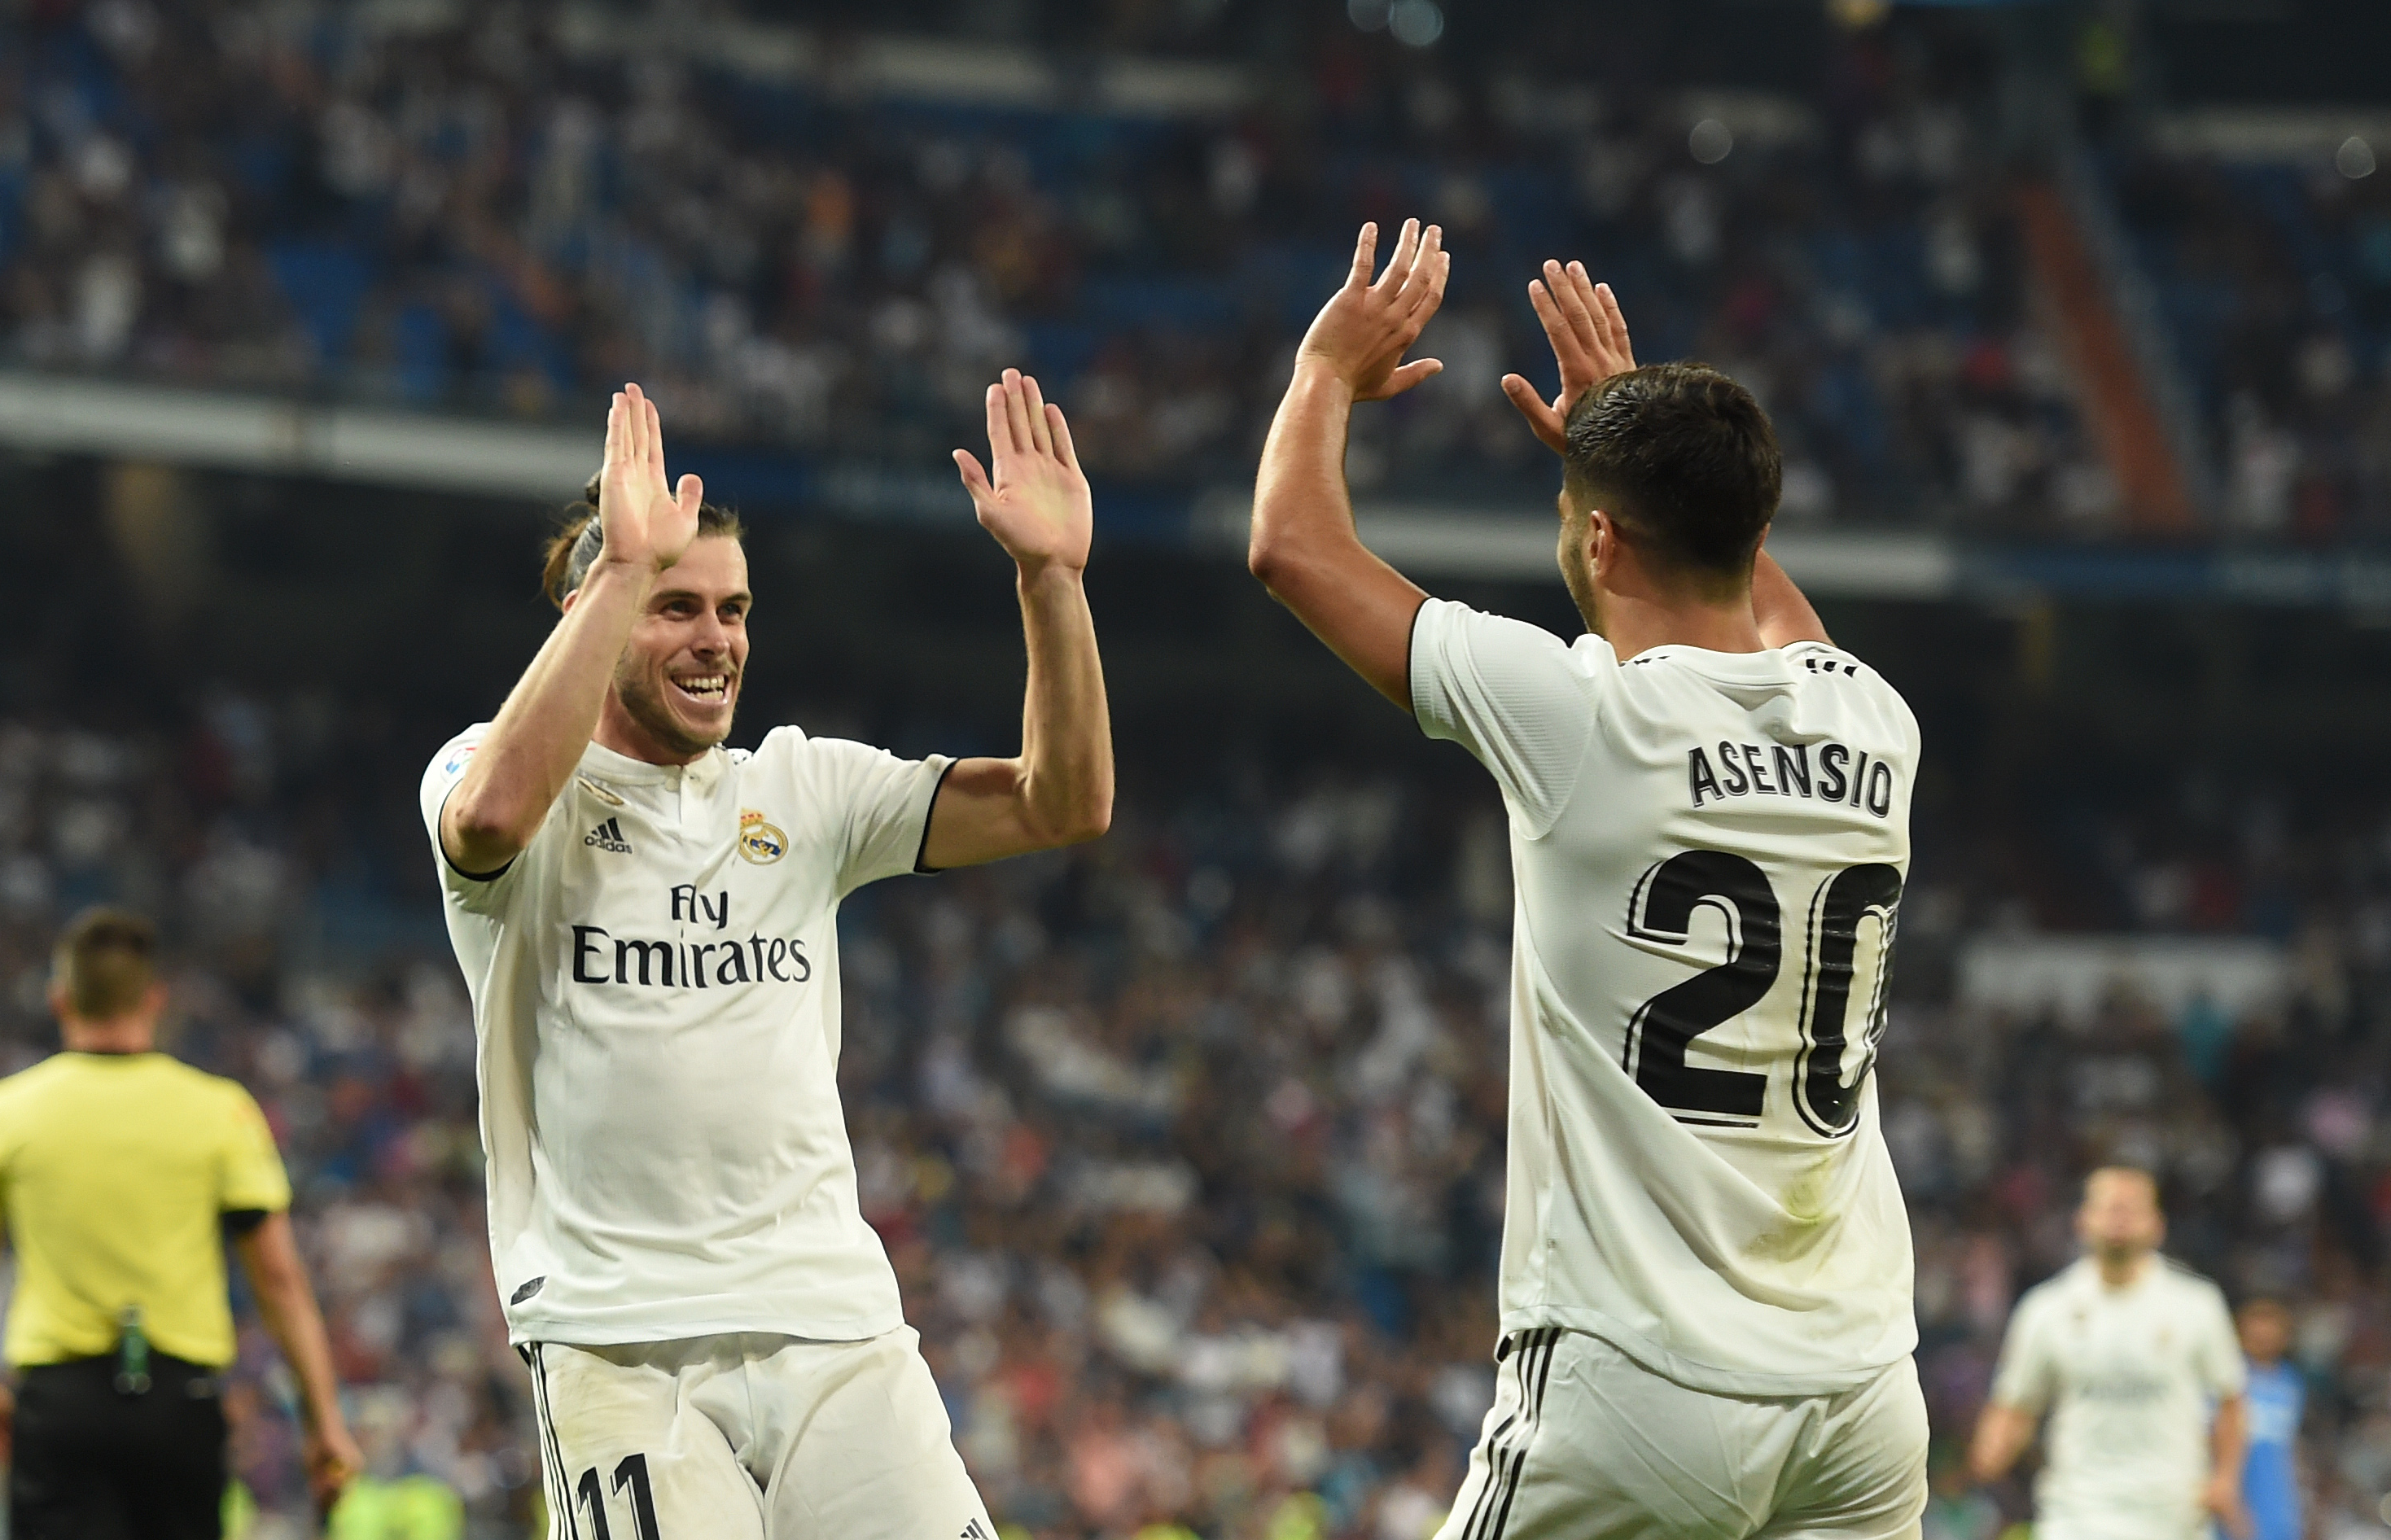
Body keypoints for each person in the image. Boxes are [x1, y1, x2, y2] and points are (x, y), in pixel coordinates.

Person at [1248, 217, 1925, 1538]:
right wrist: (1630, 437)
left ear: (1601, 544)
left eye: (1574, 513)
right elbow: (1774, 617)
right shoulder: (1871, 723)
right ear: (1756, 525)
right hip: (1858, 1394)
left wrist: (1325, 372)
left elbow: (1290, 549)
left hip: (1640, 1383)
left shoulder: (1582, 720)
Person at [423, 374, 1110, 1537]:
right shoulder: (490, 770)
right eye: (675, 605)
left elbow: (1065, 803)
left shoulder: (806, 785)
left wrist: (1050, 582)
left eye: (733, 611)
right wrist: (623, 569)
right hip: (620, 1344)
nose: (716, 641)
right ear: (601, 603)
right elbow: (489, 822)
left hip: (833, 1325)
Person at [0, 906, 361, 1538]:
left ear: (59, 999)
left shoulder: (3, 1114)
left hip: (59, 1404)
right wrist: (323, 1421)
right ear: (155, 1000)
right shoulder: (221, 1112)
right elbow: (279, 1282)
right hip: (178, 1405)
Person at [1970, 1166, 2249, 1540]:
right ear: (2082, 1221)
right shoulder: (2045, 1309)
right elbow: (2016, 1404)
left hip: (2172, 1517)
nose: (2120, 1217)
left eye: (2132, 1208)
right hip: (2076, 1516)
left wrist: (2225, 1479)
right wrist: (1989, 1454)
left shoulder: (2197, 1304)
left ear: (2157, 1224)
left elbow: (2231, 1400)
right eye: (2108, 1207)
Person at [2234, 1298, 2303, 1540]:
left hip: (2279, 1511)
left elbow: (2288, 1448)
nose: (2262, 1339)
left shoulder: (2291, 1382)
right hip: (2236, 1508)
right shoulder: (2227, 1380)